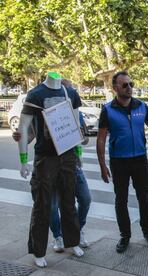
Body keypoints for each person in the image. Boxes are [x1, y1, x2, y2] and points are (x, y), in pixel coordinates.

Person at [17, 72, 84, 267]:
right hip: (46, 158)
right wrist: (23, 159)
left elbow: (75, 122)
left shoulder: (70, 93)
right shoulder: (35, 94)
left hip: (69, 155)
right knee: (42, 205)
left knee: (69, 201)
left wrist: (78, 152)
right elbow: (23, 126)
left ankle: (73, 242)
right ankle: (38, 251)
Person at [97, 71, 148, 253]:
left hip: (139, 158)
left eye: (131, 84)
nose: (129, 88)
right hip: (119, 161)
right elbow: (101, 139)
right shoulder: (107, 110)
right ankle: (125, 236)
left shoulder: (141, 106)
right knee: (121, 199)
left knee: (144, 197)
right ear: (115, 88)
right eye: (125, 85)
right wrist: (102, 165)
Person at [12, 111, 91, 253]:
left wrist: (82, 135)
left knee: (85, 199)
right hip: (48, 164)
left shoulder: (71, 107)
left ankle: (76, 231)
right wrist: (19, 136)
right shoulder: (38, 109)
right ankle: (58, 236)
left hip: (72, 162)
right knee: (53, 206)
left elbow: (85, 139)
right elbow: (29, 135)